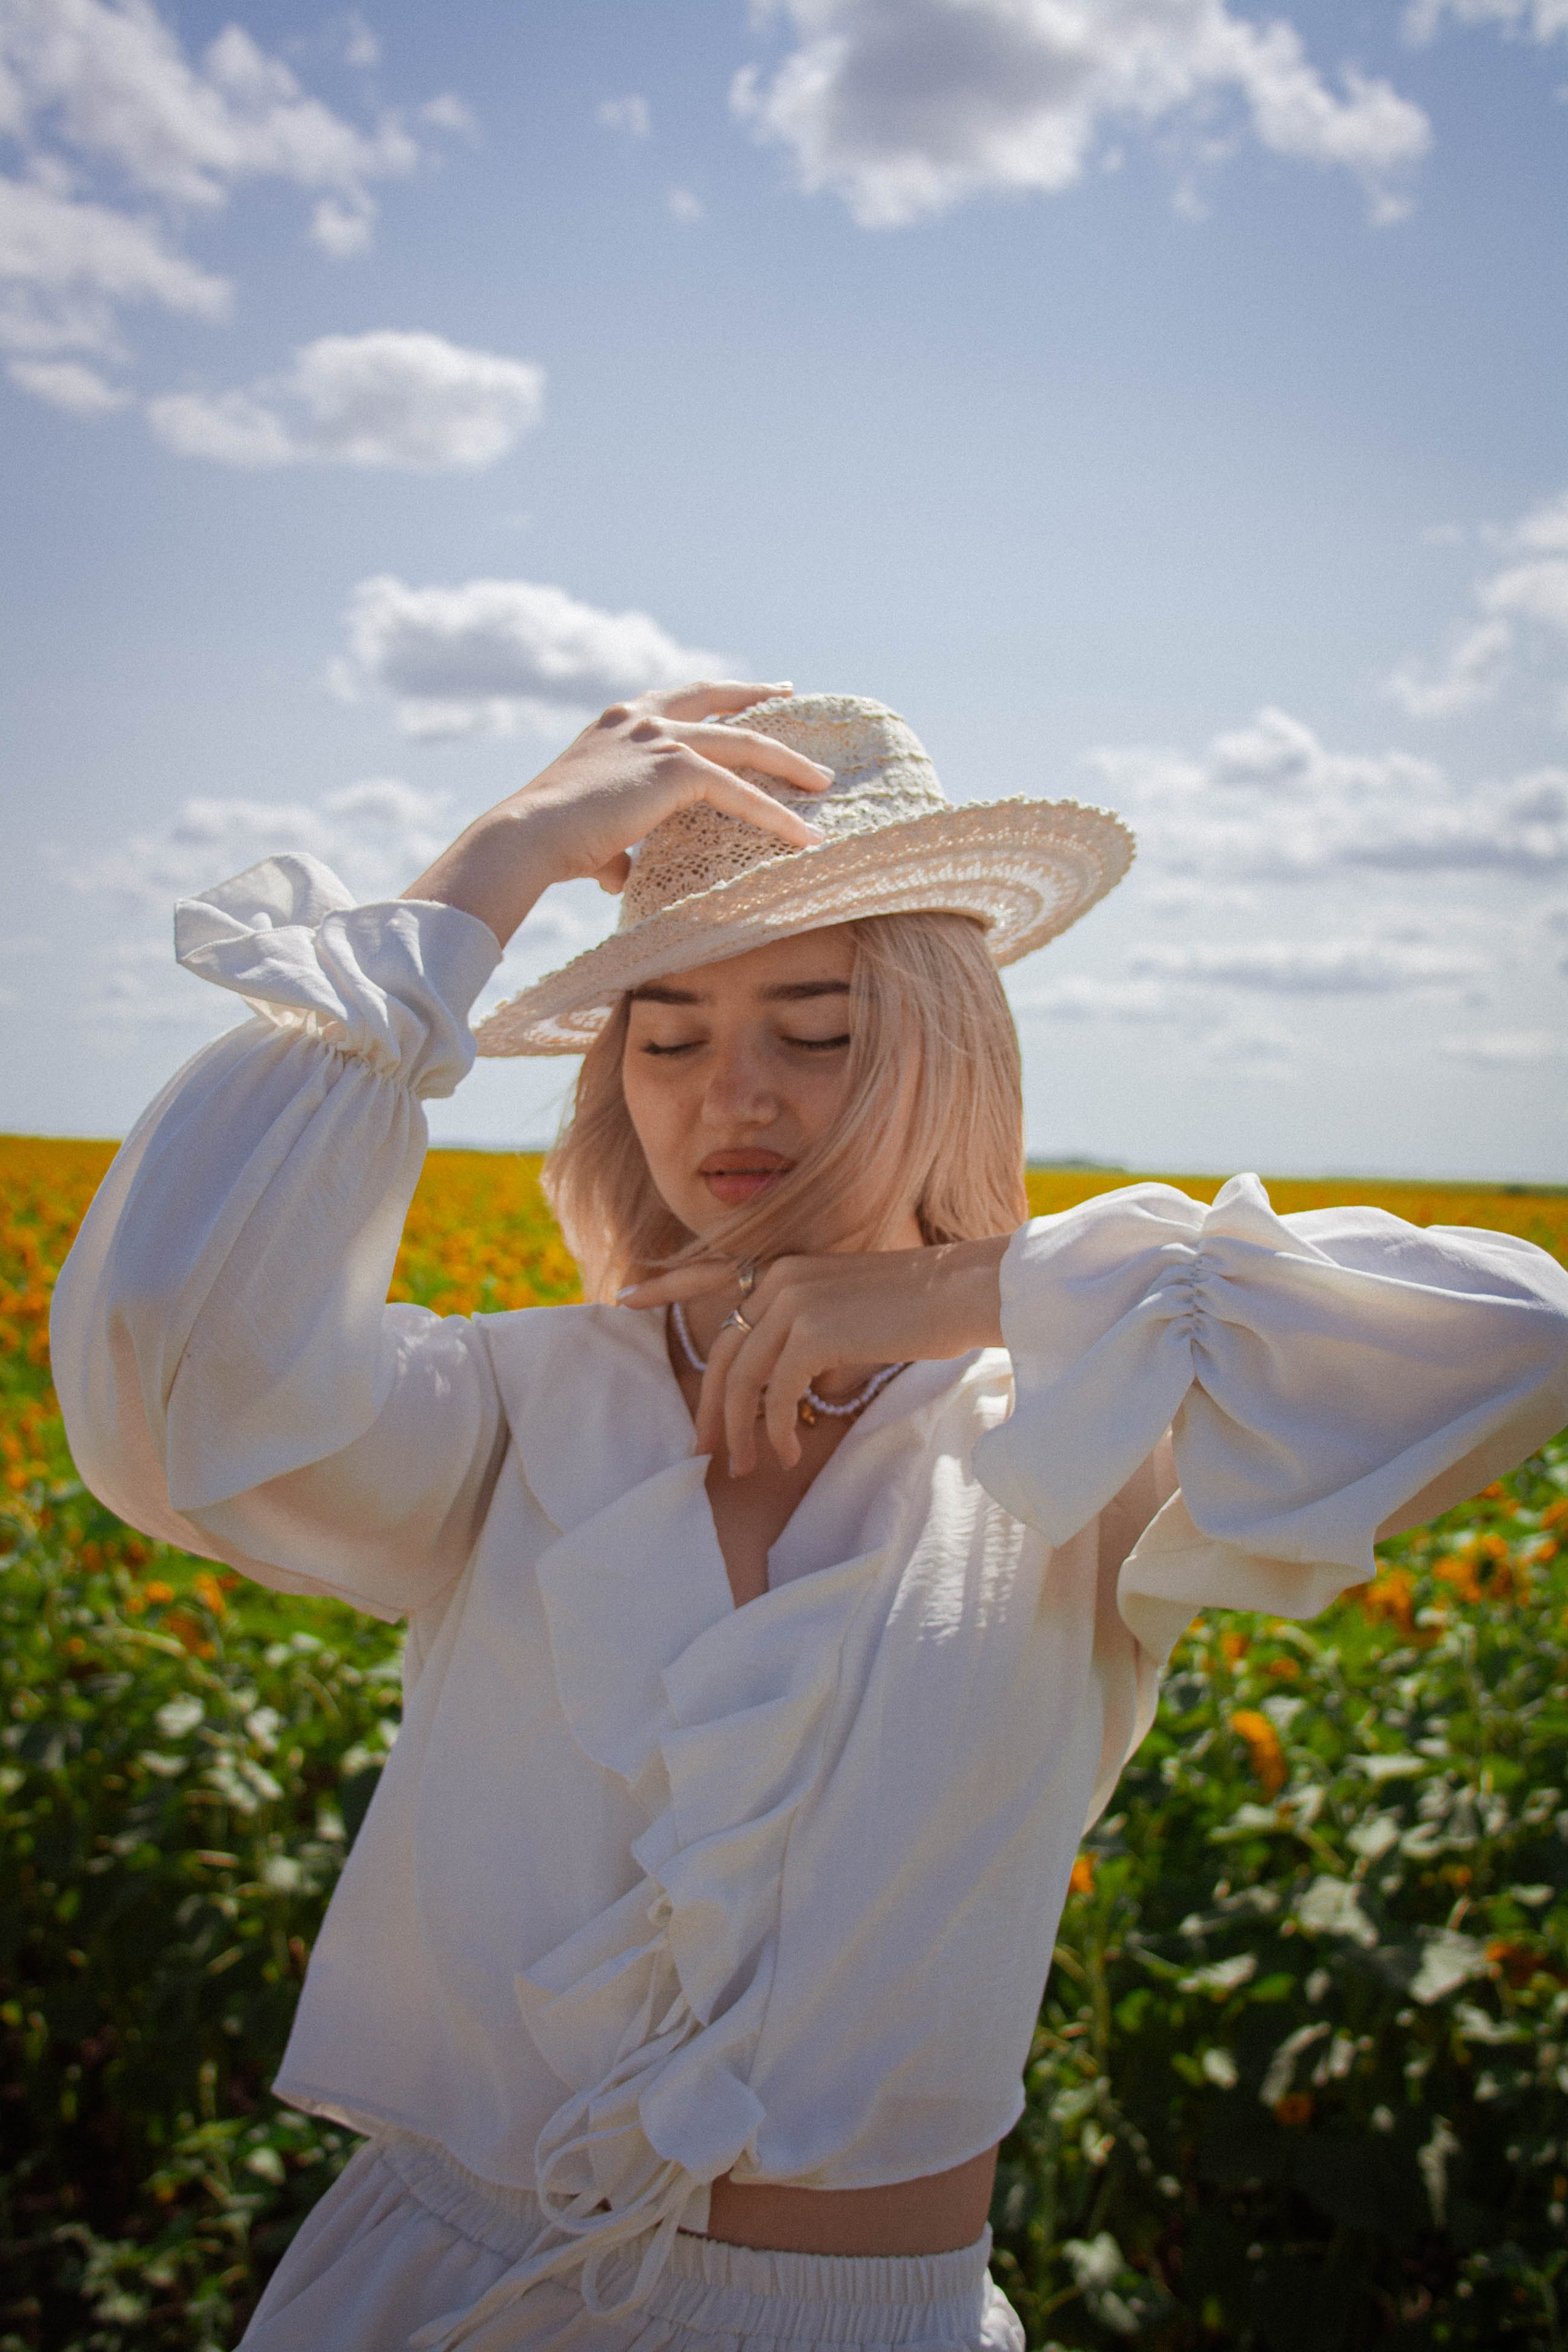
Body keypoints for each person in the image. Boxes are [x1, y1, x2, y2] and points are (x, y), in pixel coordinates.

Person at [52, 686, 1568, 2352]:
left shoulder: (1084, 1430)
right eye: (668, 1038)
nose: (735, 1098)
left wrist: (963, 1291)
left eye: (819, 1029)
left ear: (941, 1045)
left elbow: (1519, 1338)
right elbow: (174, 1363)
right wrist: (496, 862)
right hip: (439, 2292)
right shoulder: (505, 1408)